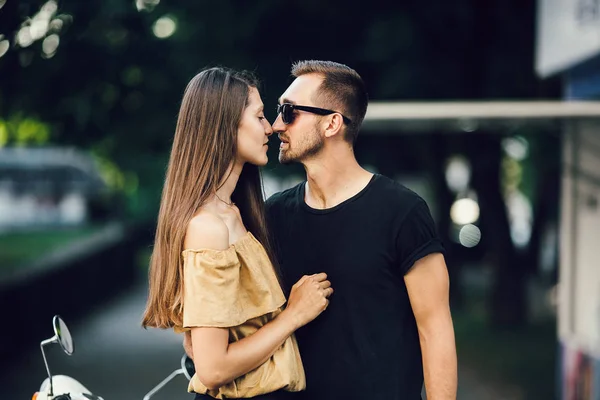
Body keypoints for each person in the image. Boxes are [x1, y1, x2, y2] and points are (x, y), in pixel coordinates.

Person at [264, 60, 458, 399]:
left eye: (289, 111)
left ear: (332, 124)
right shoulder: (274, 215)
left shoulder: (402, 212)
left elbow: (435, 329)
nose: (276, 123)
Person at [141, 66, 333, 400]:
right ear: (224, 126)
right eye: (259, 116)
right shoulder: (208, 228)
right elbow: (212, 369)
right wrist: (294, 315)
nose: (270, 128)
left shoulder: (234, 214)